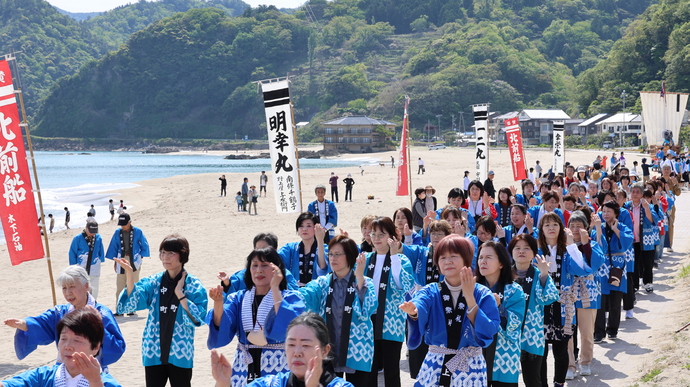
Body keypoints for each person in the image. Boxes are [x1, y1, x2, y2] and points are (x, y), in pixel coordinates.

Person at [399, 234, 500, 387]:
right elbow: (420, 303)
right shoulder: (430, 291)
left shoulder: (482, 293)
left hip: (469, 365)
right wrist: (414, 312)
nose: (448, 262)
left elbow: (489, 330)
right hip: (436, 362)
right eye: (442, 258)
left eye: (454, 256)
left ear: (466, 259)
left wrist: (470, 299)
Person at [116, 234, 208, 387]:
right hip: (153, 348)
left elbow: (198, 318)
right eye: (162, 253)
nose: (165, 257)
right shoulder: (154, 281)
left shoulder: (193, 285)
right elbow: (133, 301)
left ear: (182, 255)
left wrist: (181, 295)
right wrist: (130, 275)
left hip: (180, 351)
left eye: (171, 253)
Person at [207, 248, 305, 387]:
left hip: (277, 365)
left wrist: (275, 287)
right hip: (244, 366)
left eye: (265, 265)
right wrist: (218, 303)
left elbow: (288, 327)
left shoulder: (290, 298)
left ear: (277, 269)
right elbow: (222, 326)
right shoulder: (238, 298)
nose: (259, 270)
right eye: (254, 265)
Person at [4, 266, 125, 369]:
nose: (68, 293)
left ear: (86, 286)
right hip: (63, 367)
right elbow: (42, 323)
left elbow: (117, 346)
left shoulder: (102, 313)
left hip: (90, 369)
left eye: (72, 286)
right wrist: (25, 324)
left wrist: (97, 324)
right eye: (64, 288)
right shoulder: (61, 312)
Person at [299, 236, 377, 386]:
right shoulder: (322, 283)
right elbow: (306, 294)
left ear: (350, 256)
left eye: (338, 254)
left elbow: (370, 308)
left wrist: (359, 277)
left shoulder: (365, 281)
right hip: (329, 349)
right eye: (331, 254)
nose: (333, 258)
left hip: (357, 350)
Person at [211, 312, 356, 387]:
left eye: (305, 345)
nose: (297, 352)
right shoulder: (270, 384)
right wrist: (223, 384)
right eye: (291, 344)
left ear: (325, 350)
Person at [537, 213, 593, 387]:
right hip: (540, 306)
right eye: (547, 225)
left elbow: (582, 269)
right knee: (541, 351)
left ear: (561, 228)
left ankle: (559, 383)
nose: (551, 228)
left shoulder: (567, 251)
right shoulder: (537, 251)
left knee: (561, 351)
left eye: (555, 224)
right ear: (541, 230)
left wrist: (571, 246)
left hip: (563, 304)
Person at [1, 309, 122, 387]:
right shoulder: (43, 377)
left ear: (96, 347)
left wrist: (95, 382)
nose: (68, 346)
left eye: (77, 340)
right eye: (63, 339)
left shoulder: (107, 383)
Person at [362, 216, 414, 387]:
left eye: (381, 234)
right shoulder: (367, 259)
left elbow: (402, 285)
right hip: (368, 322)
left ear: (392, 236)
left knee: (391, 371)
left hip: (391, 321)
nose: (376, 238)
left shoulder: (402, 260)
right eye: (373, 234)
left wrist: (394, 257)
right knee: (368, 370)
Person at [401, 219, 452, 379]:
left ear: (447, 236)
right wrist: (398, 242)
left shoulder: (451, 255)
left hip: (443, 300)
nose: (436, 237)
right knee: (419, 334)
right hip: (421, 300)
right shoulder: (421, 251)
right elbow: (405, 250)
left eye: (440, 233)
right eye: (433, 233)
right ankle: (419, 375)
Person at [508, 234, 559, 387]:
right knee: (507, 380)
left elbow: (550, 297)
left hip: (532, 334)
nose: (521, 251)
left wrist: (544, 274)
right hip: (508, 335)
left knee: (533, 380)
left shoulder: (539, 273)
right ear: (511, 251)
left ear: (534, 252)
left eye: (526, 248)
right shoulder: (505, 274)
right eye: (517, 248)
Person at [476, 241, 526, 385]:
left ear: (501, 263)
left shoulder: (514, 290)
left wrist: (499, 307)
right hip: (476, 356)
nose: (483, 261)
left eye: (488, 257)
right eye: (480, 257)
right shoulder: (472, 288)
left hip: (504, 357)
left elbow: (516, 324)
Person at [565, 211, 605, 379]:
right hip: (568, 292)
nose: (575, 229)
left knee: (587, 330)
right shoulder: (564, 246)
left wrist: (585, 244)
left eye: (578, 226)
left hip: (588, 291)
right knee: (567, 331)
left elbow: (596, 263)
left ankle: (586, 362)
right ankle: (569, 365)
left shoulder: (593, 244)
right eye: (572, 226)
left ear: (586, 228)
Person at [218, 232, 299, 295]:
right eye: (257, 249)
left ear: (274, 251)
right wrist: (227, 283)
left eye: (264, 249)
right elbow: (230, 297)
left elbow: (294, 295)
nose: (260, 253)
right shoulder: (242, 275)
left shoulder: (284, 274)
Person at [105, 213, 151, 315]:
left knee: (132, 285)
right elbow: (114, 246)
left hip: (133, 259)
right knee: (120, 285)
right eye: (121, 224)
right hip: (121, 259)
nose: (123, 226)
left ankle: (131, 309)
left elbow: (144, 244)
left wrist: (140, 257)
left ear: (130, 222)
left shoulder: (138, 231)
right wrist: (115, 261)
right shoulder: (117, 232)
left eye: (124, 224)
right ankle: (119, 309)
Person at [278, 212, 329, 286]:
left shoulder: (325, 248)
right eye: (301, 226)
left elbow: (322, 271)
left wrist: (320, 241)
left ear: (316, 228)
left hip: (317, 292)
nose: (304, 229)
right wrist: (291, 282)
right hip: (295, 292)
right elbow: (275, 262)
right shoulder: (290, 248)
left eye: (308, 226)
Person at [68, 220, 105, 299]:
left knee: (94, 289)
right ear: (86, 228)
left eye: (94, 232)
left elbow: (101, 251)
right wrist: (73, 268)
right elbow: (72, 253)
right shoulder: (77, 238)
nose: (92, 234)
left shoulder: (98, 238)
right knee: (81, 289)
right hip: (81, 268)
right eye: (91, 231)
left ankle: (93, 306)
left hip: (95, 268)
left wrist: (101, 260)